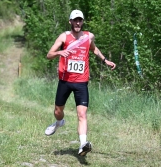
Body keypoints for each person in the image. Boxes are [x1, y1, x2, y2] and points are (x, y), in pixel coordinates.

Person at [44, 10, 116, 156]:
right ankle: (59, 122)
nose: (78, 23)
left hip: (81, 82)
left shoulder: (88, 37)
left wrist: (105, 60)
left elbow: (94, 49)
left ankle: (83, 144)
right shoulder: (64, 37)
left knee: (82, 114)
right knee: (58, 111)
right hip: (65, 81)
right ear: (70, 21)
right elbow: (49, 55)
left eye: (80, 20)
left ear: (82, 22)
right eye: (75, 20)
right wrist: (59, 53)